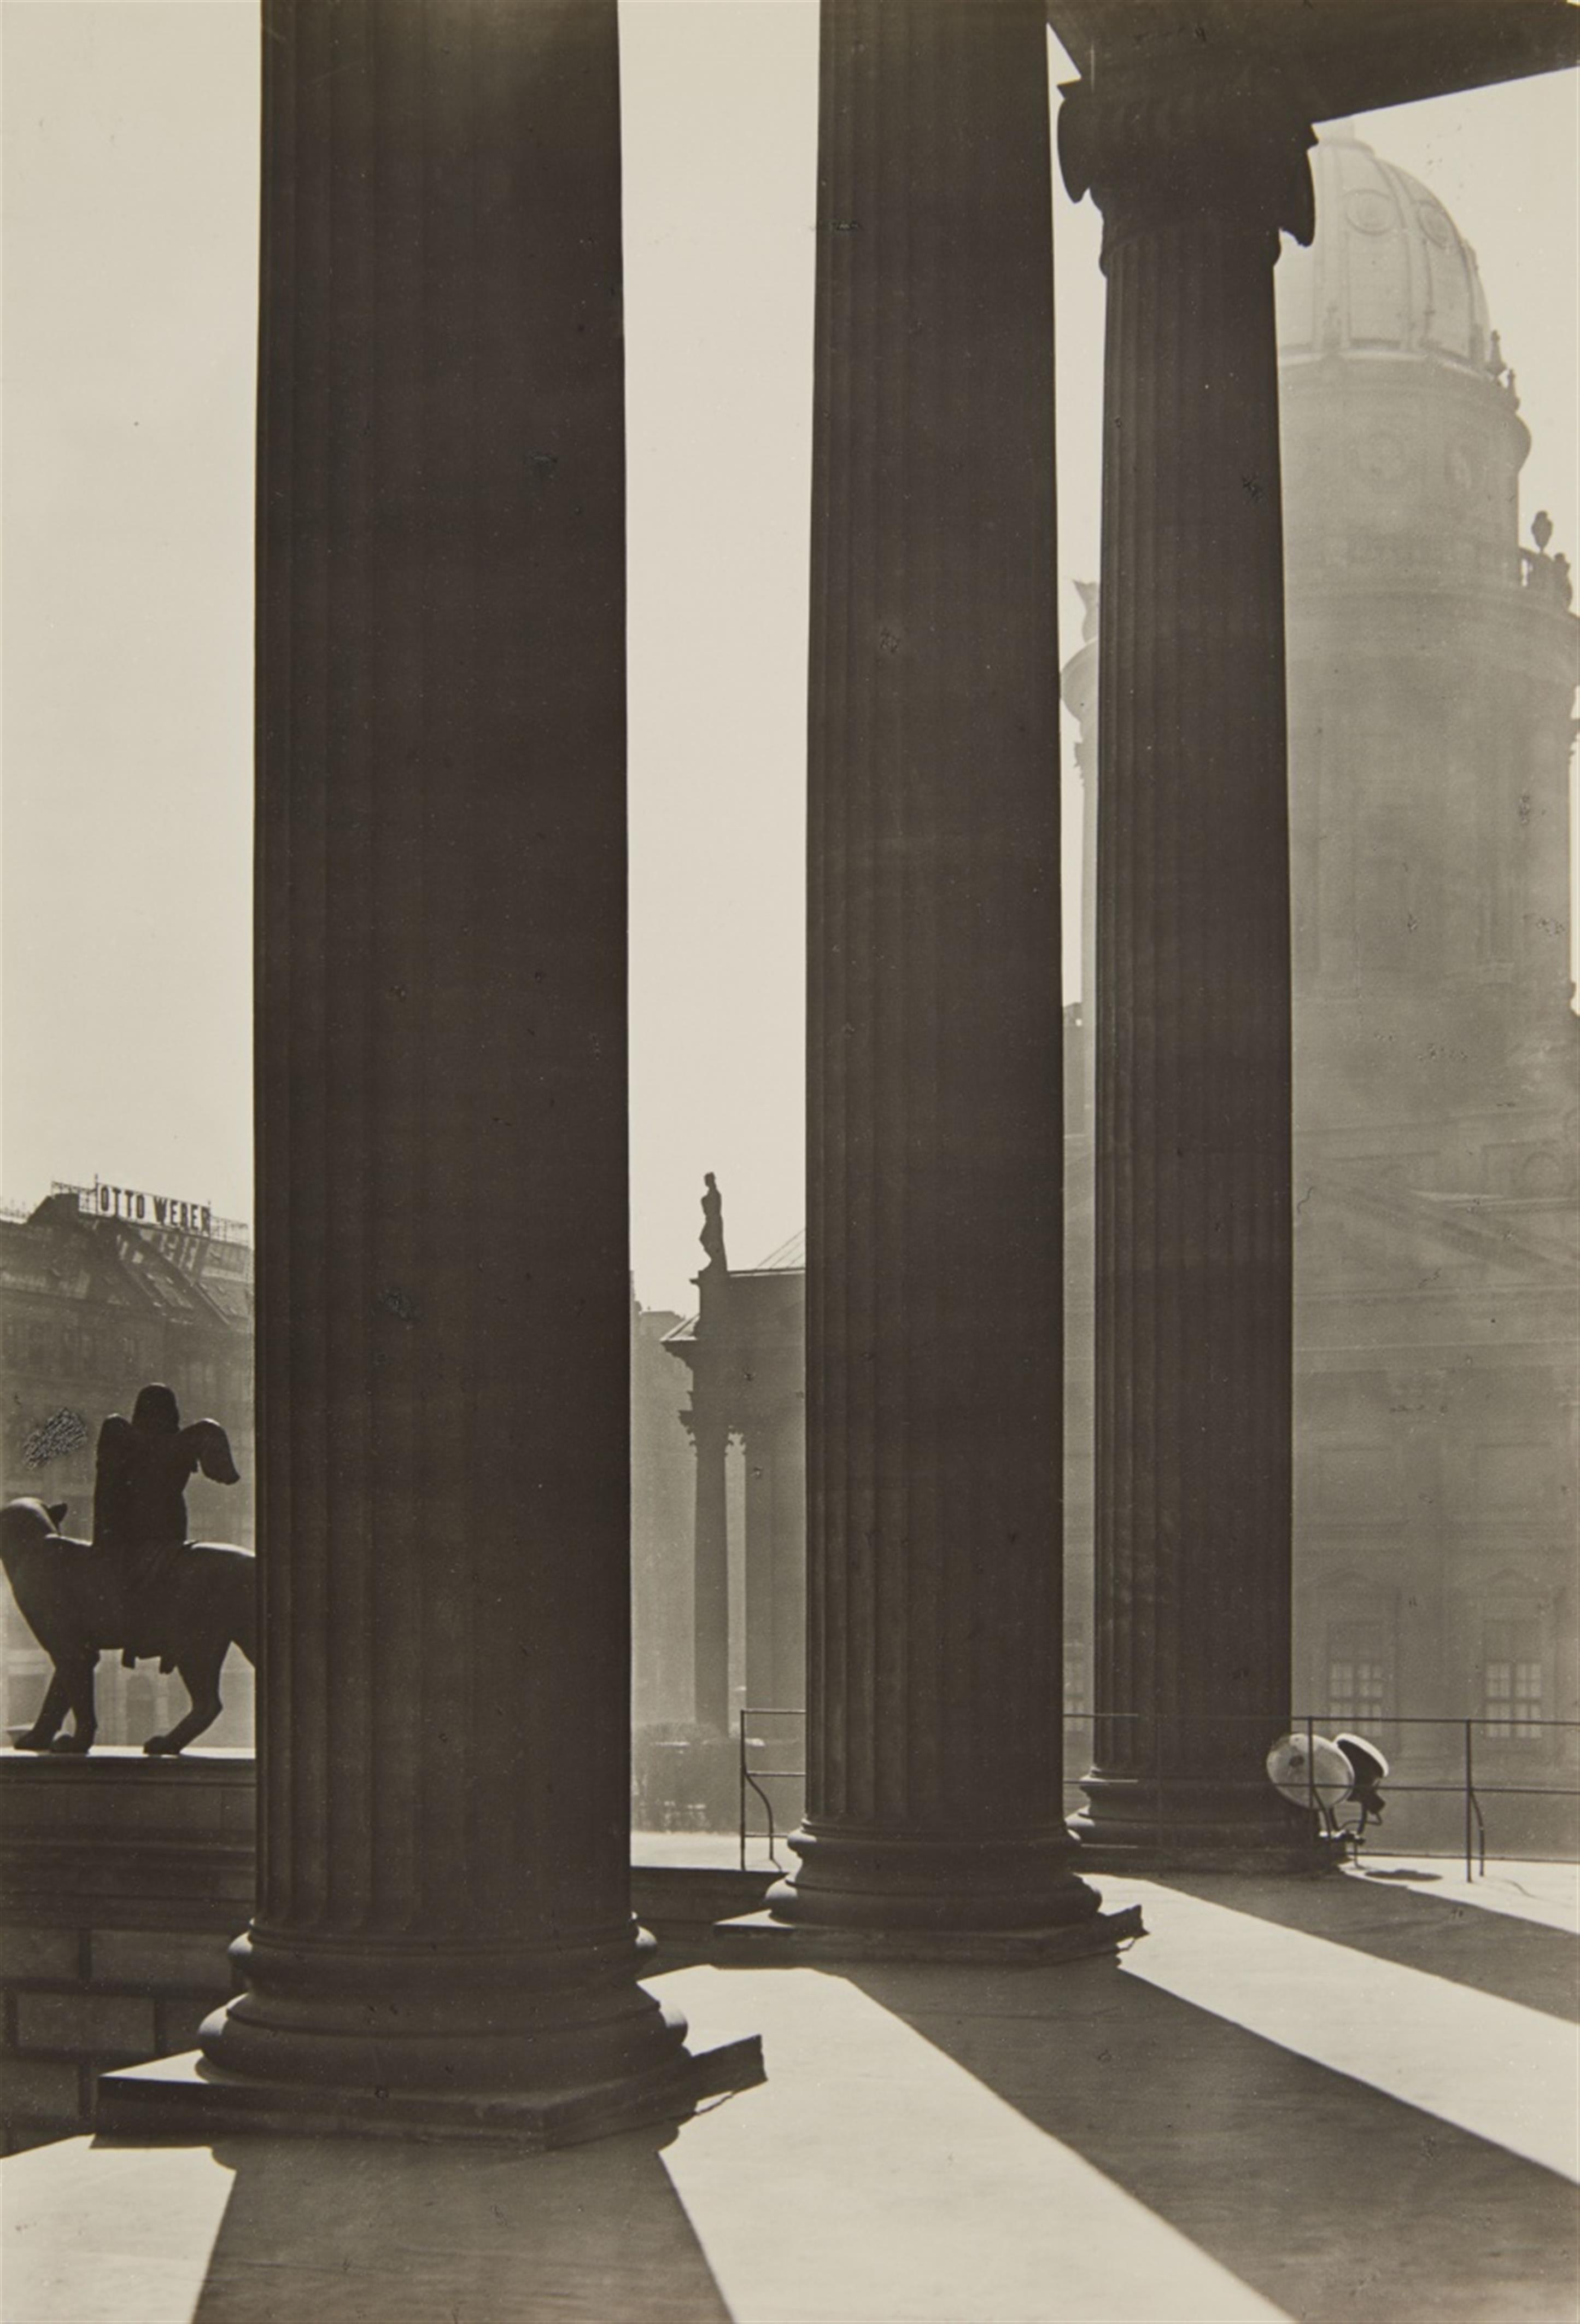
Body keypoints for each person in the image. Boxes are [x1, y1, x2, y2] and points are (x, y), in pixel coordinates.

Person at [92, 1385, 239, 1665]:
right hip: (171, 1528)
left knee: (132, 1582)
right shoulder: (188, 1440)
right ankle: (165, 1642)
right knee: (164, 1582)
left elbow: (106, 1493)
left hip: (136, 1530)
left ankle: (141, 1640)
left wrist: (103, 1537)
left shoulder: (120, 1433)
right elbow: (225, 1474)